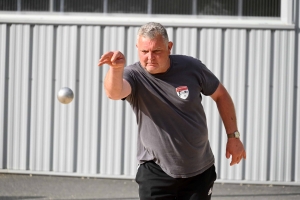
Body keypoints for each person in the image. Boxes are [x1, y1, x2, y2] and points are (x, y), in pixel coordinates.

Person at [98, 22, 246, 200]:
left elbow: (221, 95)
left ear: (169, 47)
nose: (150, 57)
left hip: (199, 171)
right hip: (156, 172)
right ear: (137, 48)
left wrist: (233, 137)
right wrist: (115, 70)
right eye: (144, 52)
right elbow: (113, 93)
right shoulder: (134, 75)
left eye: (157, 51)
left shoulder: (191, 67)